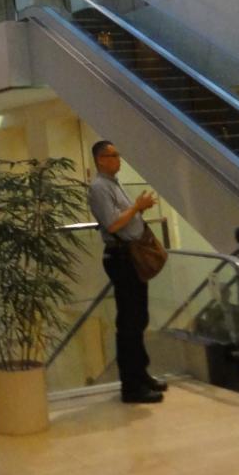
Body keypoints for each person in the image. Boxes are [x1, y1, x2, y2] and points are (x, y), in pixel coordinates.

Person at [87, 140, 166, 405]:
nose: (118, 159)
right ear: (101, 159)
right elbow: (112, 224)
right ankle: (131, 386)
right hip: (121, 258)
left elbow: (125, 217)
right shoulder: (99, 188)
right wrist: (137, 207)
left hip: (132, 256)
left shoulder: (114, 183)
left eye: (117, 154)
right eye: (113, 155)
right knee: (129, 323)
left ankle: (141, 374)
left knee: (139, 318)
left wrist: (137, 210)